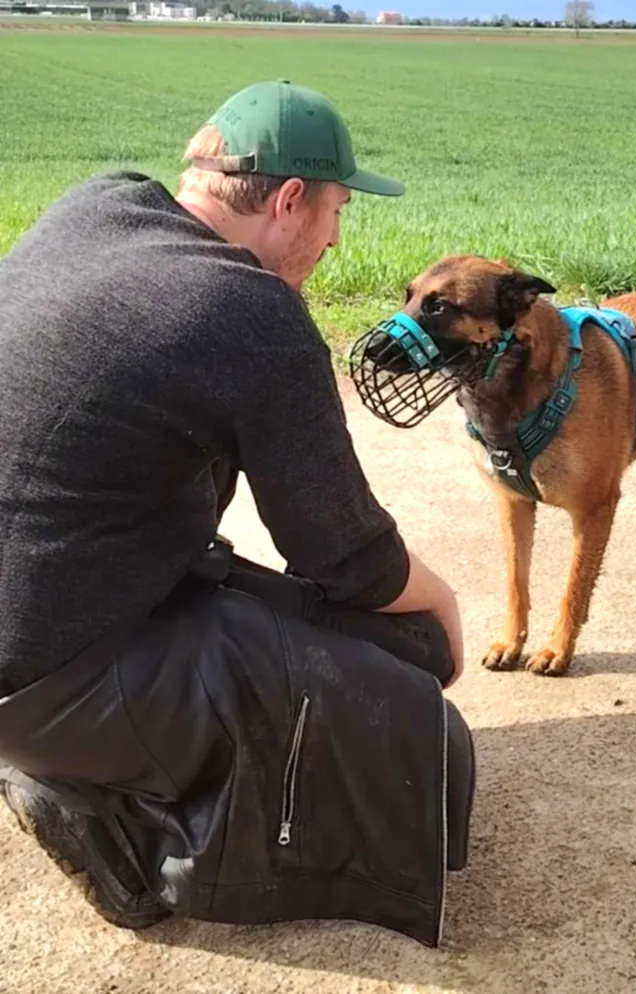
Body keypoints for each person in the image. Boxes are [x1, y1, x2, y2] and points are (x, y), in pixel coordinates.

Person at [0, 80, 475, 949]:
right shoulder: (249, 310)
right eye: (336, 210)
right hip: (51, 669)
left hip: (51, 606)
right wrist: (440, 601)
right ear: (290, 201)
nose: (335, 237)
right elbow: (347, 559)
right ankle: (122, 831)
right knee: (425, 711)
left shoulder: (97, 205)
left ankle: (77, 758)